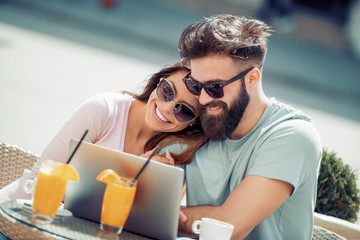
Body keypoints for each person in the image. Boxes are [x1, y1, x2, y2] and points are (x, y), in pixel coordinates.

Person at [177, 14, 322, 239]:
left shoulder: (293, 136)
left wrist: (170, 214)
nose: (204, 99)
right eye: (196, 85)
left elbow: (228, 227)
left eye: (215, 87)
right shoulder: (203, 119)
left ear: (252, 78)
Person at [0, 62, 208, 203]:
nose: (167, 107)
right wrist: (130, 175)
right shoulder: (103, 109)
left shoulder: (172, 154)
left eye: (184, 111)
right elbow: (39, 180)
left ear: (193, 123)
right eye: (167, 91)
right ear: (157, 83)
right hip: (15, 216)